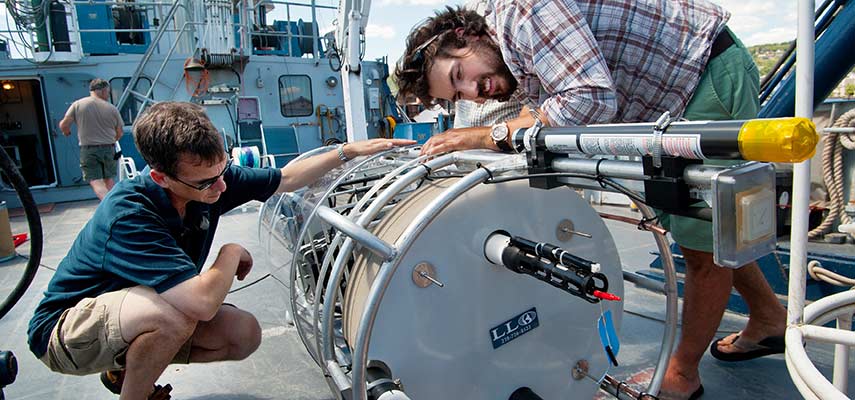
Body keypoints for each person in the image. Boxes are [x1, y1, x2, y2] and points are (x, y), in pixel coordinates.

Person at [394, 2, 786, 399]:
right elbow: (539, 114)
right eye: (459, 92)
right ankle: (769, 317)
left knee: (701, 240)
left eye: (460, 75)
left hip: (702, 77)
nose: (474, 93)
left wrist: (483, 137)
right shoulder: (508, 54)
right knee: (704, 227)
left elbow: (590, 100)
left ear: (466, 35)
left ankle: (682, 375)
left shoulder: (524, 12)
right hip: (669, 101)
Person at [28, 101, 414, 400]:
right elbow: (200, 305)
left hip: (130, 318)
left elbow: (288, 178)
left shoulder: (208, 178)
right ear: (161, 177)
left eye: (222, 171)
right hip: (66, 331)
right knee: (171, 317)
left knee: (242, 334)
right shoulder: (129, 214)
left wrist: (347, 152)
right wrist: (230, 251)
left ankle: (124, 368)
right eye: (207, 183)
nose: (222, 189)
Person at [59, 78, 124, 201]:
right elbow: (119, 132)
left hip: (89, 150)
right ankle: (113, 202)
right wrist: (111, 139)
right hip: (109, 148)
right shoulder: (112, 108)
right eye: (108, 92)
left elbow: (64, 125)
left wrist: (66, 132)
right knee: (109, 179)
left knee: (95, 181)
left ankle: (109, 204)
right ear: (103, 91)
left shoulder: (78, 105)